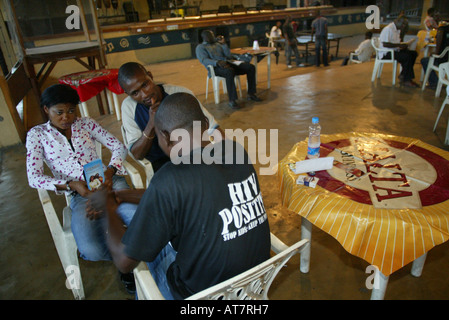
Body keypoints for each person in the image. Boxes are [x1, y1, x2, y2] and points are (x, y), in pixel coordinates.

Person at [89, 92, 271, 300]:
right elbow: (183, 195)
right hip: (254, 286)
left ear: (165, 137)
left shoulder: (169, 178)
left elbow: (123, 261)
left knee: (147, 250)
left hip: (202, 296)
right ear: (204, 123)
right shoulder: (235, 151)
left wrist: (108, 209)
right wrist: (121, 195)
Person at [25, 84, 139, 292]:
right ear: (46, 110)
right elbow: (34, 177)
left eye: (71, 110)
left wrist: (111, 171)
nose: (66, 117)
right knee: (91, 249)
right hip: (80, 195)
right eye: (59, 112)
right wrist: (70, 184)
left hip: (110, 185)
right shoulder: (37, 135)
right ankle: (123, 258)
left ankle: (129, 268)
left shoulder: (86, 124)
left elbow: (117, 146)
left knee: (139, 218)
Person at [118, 62, 219, 172]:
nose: (145, 94)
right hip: (160, 165)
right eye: (135, 93)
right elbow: (137, 154)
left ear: (150, 76)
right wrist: (151, 125)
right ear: (127, 94)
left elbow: (213, 128)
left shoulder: (179, 94)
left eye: (145, 85)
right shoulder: (129, 107)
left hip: (191, 156)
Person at [196, 30, 262, 109]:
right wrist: (217, 62)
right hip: (215, 68)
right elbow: (204, 60)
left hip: (227, 63)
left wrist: (223, 44)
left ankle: (251, 94)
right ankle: (232, 100)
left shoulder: (218, 44)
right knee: (229, 71)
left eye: (213, 35)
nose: (213, 37)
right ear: (205, 37)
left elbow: (228, 55)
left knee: (250, 67)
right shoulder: (201, 47)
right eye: (211, 35)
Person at [379, 15, 418, 88]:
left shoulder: (397, 29)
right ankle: (407, 80)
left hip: (395, 50)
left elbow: (398, 42)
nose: (404, 26)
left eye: (405, 25)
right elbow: (385, 44)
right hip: (386, 53)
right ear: (397, 21)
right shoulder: (388, 29)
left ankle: (403, 74)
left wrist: (403, 45)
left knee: (413, 54)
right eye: (403, 24)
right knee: (407, 57)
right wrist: (399, 45)